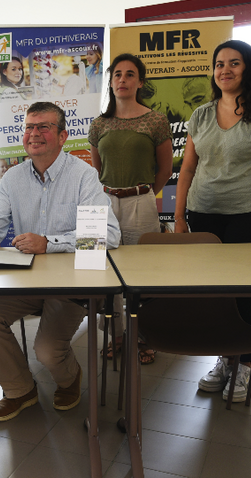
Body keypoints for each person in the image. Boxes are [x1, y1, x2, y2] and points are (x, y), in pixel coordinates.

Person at [0, 101, 121, 421]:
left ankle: (69, 378)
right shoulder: (13, 178)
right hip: (27, 279)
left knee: (47, 350)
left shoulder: (83, 176)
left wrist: (49, 243)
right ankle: (19, 390)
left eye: (44, 127)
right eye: (28, 127)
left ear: (63, 136)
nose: (33, 134)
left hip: (70, 282)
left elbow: (106, 235)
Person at [174, 39, 251, 402]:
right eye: (219, 64)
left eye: (234, 63)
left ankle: (245, 365)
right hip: (204, 213)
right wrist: (179, 217)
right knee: (216, 294)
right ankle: (225, 358)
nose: (225, 69)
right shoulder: (202, 114)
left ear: (249, 68)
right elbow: (188, 169)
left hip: (250, 213)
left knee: (244, 294)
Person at [88, 53, 172, 365]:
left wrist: (144, 195)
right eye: (117, 75)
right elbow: (97, 170)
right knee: (103, 271)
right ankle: (115, 334)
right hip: (103, 203)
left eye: (129, 74)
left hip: (142, 200)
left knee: (142, 275)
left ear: (140, 81)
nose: (123, 80)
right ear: (110, 82)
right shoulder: (99, 124)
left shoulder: (156, 120)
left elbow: (164, 169)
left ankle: (143, 336)